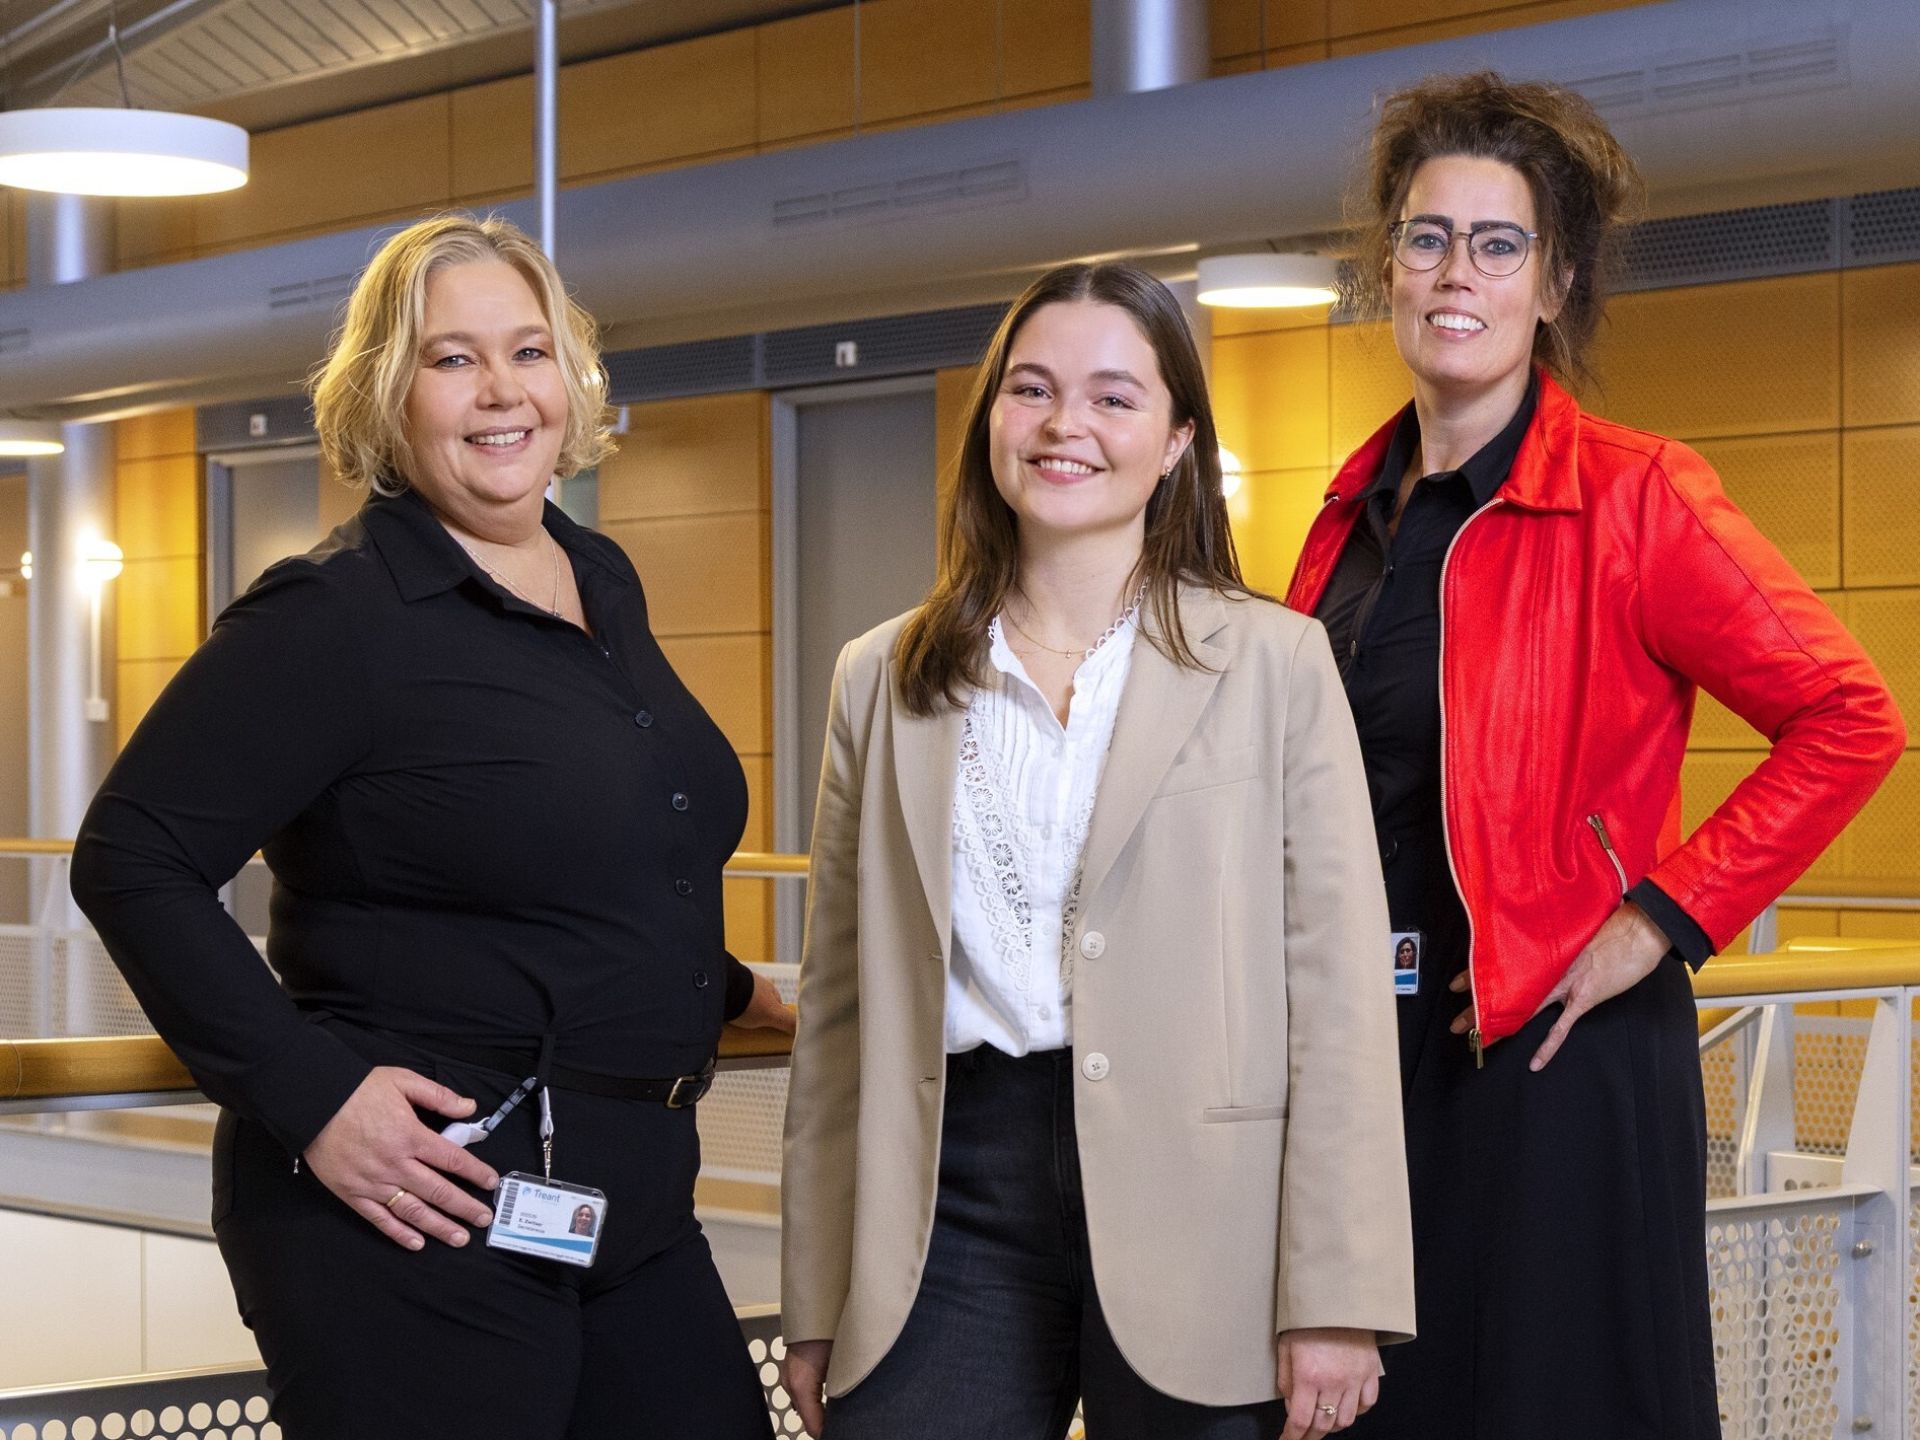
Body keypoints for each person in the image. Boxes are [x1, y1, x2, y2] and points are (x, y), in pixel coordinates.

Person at [70, 214, 789, 1440]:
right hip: (419, 1213)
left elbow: (568, 853)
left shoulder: (596, 573)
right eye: (451, 360)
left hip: (627, 1195)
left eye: (530, 351)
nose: (501, 392)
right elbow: (132, 858)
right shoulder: (335, 617)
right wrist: (314, 1098)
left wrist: (725, 988)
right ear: (385, 398)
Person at [1284, 74, 1905, 1440]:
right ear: (1387, 263)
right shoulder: (1344, 520)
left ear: (1553, 283)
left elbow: (1850, 720)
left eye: (1497, 244)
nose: (1457, 272)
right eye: (1426, 235)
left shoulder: (1636, 494)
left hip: (1558, 1057)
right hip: (1371, 1061)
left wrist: (1657, 918)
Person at [779, 261, 1414, 1440]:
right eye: (1033, 389)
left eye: (1115, 397)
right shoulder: (881, 679)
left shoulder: (1275, 664)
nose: (1066, 425)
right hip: (945, 1198)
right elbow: (839, 1017)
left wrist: (1339, 1290)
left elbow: (1337, 991)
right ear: (991, 425)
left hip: (1209, 1207)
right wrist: (816, 1292)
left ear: (1177, 438)